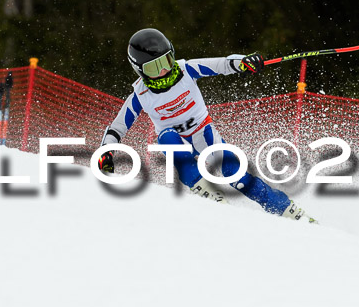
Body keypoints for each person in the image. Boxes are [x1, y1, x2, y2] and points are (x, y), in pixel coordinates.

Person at [97, 28, 314, 222]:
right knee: (168, 137)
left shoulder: (186, 70)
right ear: (140, 70)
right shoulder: (140, 94)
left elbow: (221, 64)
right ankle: (205, 190)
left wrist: (243, 62)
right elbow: (117, 128)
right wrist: (105, 153)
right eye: (155, 67)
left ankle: (289, 212)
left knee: (237, 177)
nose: (164, 71)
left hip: (204, 134)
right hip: (174, 140)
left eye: (166, 61)